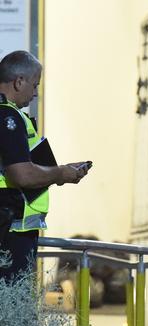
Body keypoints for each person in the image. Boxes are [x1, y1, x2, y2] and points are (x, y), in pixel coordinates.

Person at [0, 50, 90, 281]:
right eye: (35, 85)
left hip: (8, 226)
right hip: (10, 231)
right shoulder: (8, 116)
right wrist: (60, 173)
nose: (36, 93)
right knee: (11, 306)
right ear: (19, 82)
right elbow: (22, 175)